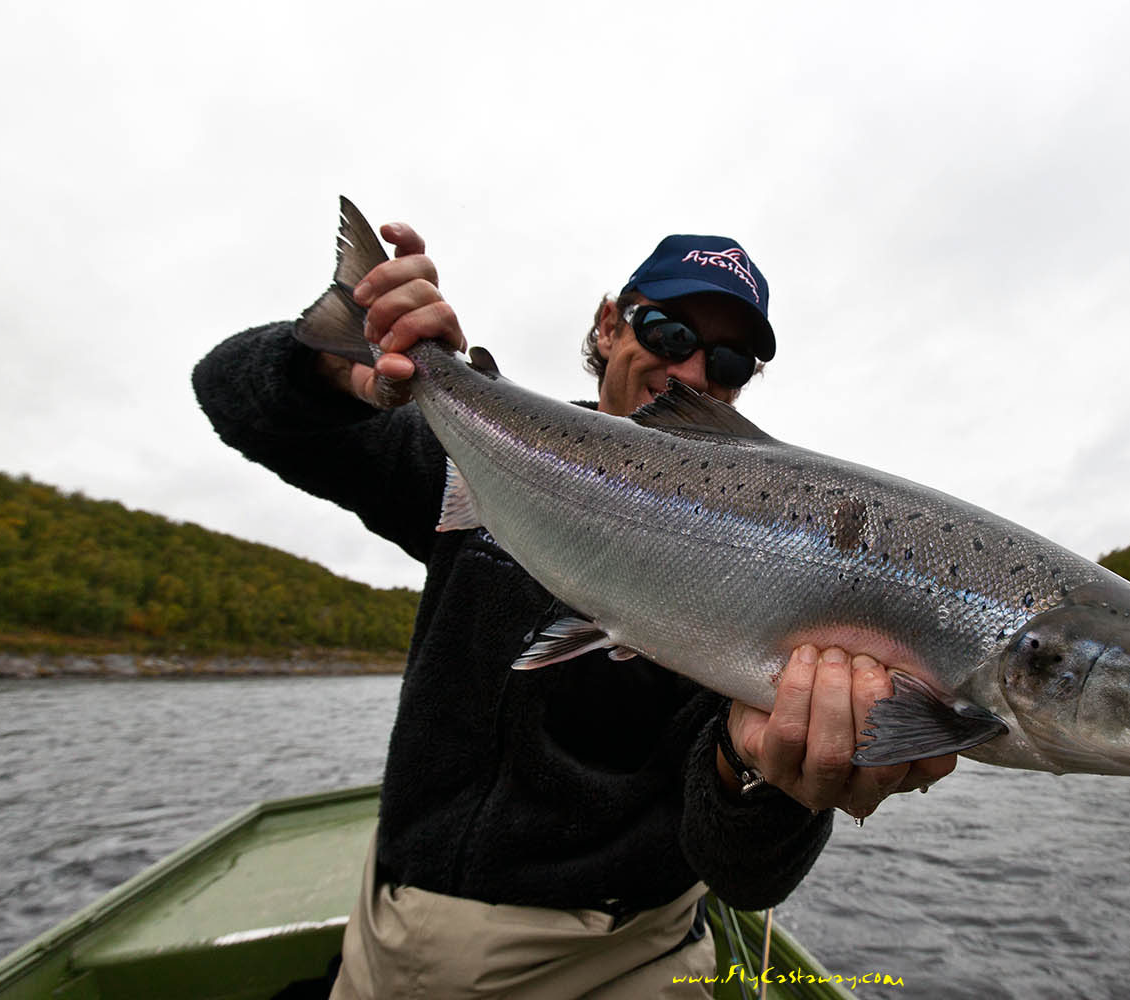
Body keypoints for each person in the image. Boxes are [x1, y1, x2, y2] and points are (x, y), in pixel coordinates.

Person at [193, 214, 957, 999]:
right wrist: (341, 362)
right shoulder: (481, 443)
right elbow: (226, 393)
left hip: (630, 955)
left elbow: (742, 873)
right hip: (398, 931)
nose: (692, 371)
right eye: (667, 333)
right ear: (610, 324)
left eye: (728, 359)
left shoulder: (779, 559)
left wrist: (763, 774)